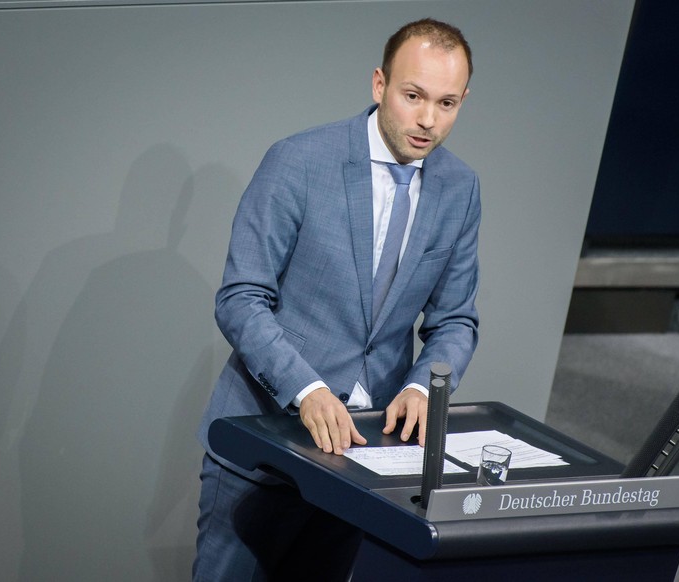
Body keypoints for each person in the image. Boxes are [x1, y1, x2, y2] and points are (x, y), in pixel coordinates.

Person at [193, 18, 480, 581]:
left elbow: (455, 321)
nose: (427, 120)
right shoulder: (298, 161)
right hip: (263, 443)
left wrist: (425, 386)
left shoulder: (460, 188)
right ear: (379, 85)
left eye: (447, 103)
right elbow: (241, 297)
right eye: (413, 96)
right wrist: (307, 389)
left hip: (365, 460)